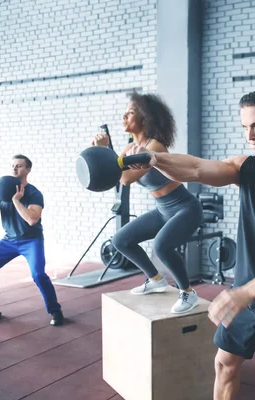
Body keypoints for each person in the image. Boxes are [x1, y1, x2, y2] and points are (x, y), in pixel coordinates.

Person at [127, 88, 255, 400]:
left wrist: (246, 292)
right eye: (245, 127)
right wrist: (154, 159)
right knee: (224, 364)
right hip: (244, 294)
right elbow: (195, 168)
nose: (249, 135)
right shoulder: (245, 167)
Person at [91, 91, 204, 314]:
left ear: (145, 118)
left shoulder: (154, 147)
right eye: (124, 113)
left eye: (130, 113)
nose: (123, 117)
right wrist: (98, 150)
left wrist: (106, 150)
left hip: (185, 208)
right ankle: (155, 279)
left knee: (162, 246)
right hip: (162, 210)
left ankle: (188, 293)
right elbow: (111, 172)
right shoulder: (128, 147)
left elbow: (125, 178)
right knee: (121, 240)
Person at [0, 155, 64, 326]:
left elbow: (32, 219)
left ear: (28, 170)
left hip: (31, 241)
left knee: (38, 275)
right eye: (12, 165)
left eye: (19, 166)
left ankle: (55, 311)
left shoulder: (34, 193)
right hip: (9, 241)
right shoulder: (2, 191)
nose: (14, 169)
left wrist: (15, 201)